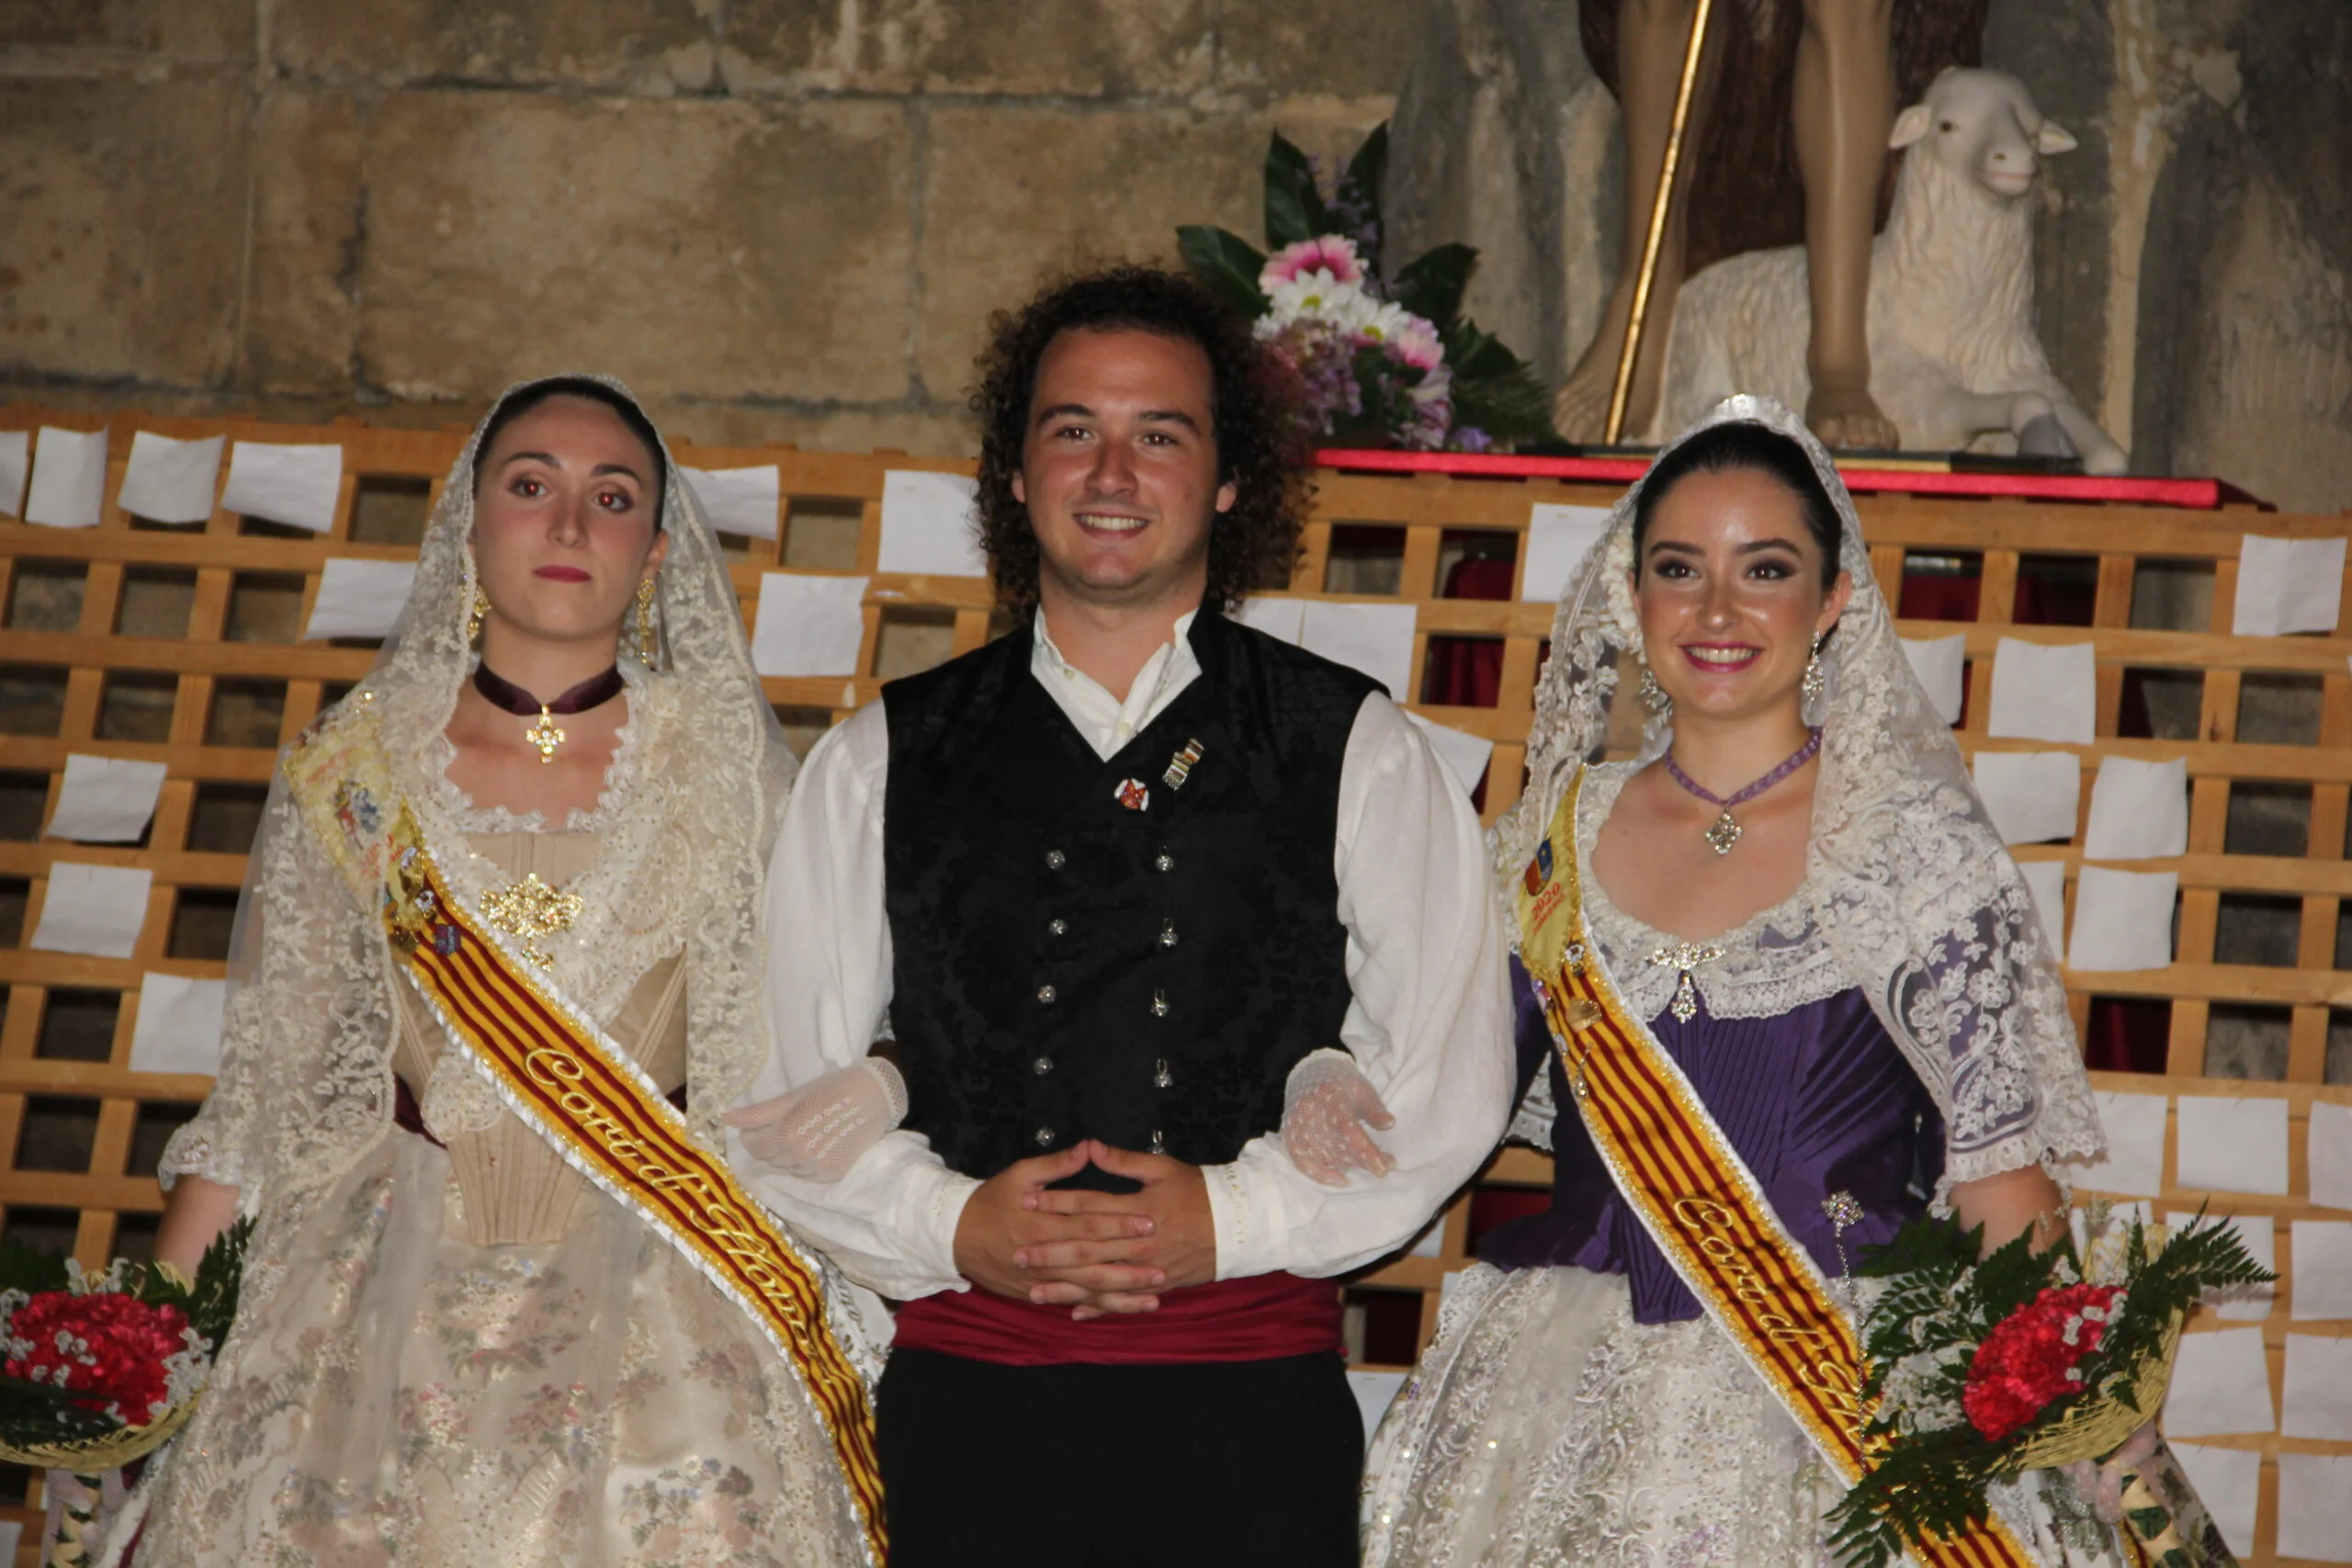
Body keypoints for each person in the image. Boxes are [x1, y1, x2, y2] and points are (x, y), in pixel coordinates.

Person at [727, 265, 1511, 1568]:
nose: (1111, 469)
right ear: (1017, 474)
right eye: (1072, 428)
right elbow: (780, 1091)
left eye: (1161, 434)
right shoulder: (879, 754)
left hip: (1250, 1417)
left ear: (1225, 482)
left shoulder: (1350, 744)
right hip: (968, 1417)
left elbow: (1446, 1077)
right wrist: (949, 1224)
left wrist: (1234, 1218)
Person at [1360, 396, 2130, 1566]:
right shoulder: (1541, 840)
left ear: (1830, 601)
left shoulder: (1912, 850)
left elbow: (1995, 1184)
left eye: (1763, 569)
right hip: (1557, 1401)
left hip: (1841, 1402)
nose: (1717, 610)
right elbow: (1431, 1090)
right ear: (1634, 596)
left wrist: (2094, 1437)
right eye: (1680, 568)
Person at [129, 376, 885, 1566]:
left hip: (666, 1299)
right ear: (466, 524)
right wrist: (137, 1342)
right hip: (372, 1309)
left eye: (613, 495)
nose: (571, 525)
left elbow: (784, 1064)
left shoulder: (740, 778)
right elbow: (266, 1091)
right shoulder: (354, 768)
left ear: (656, 545)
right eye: (530, 485)